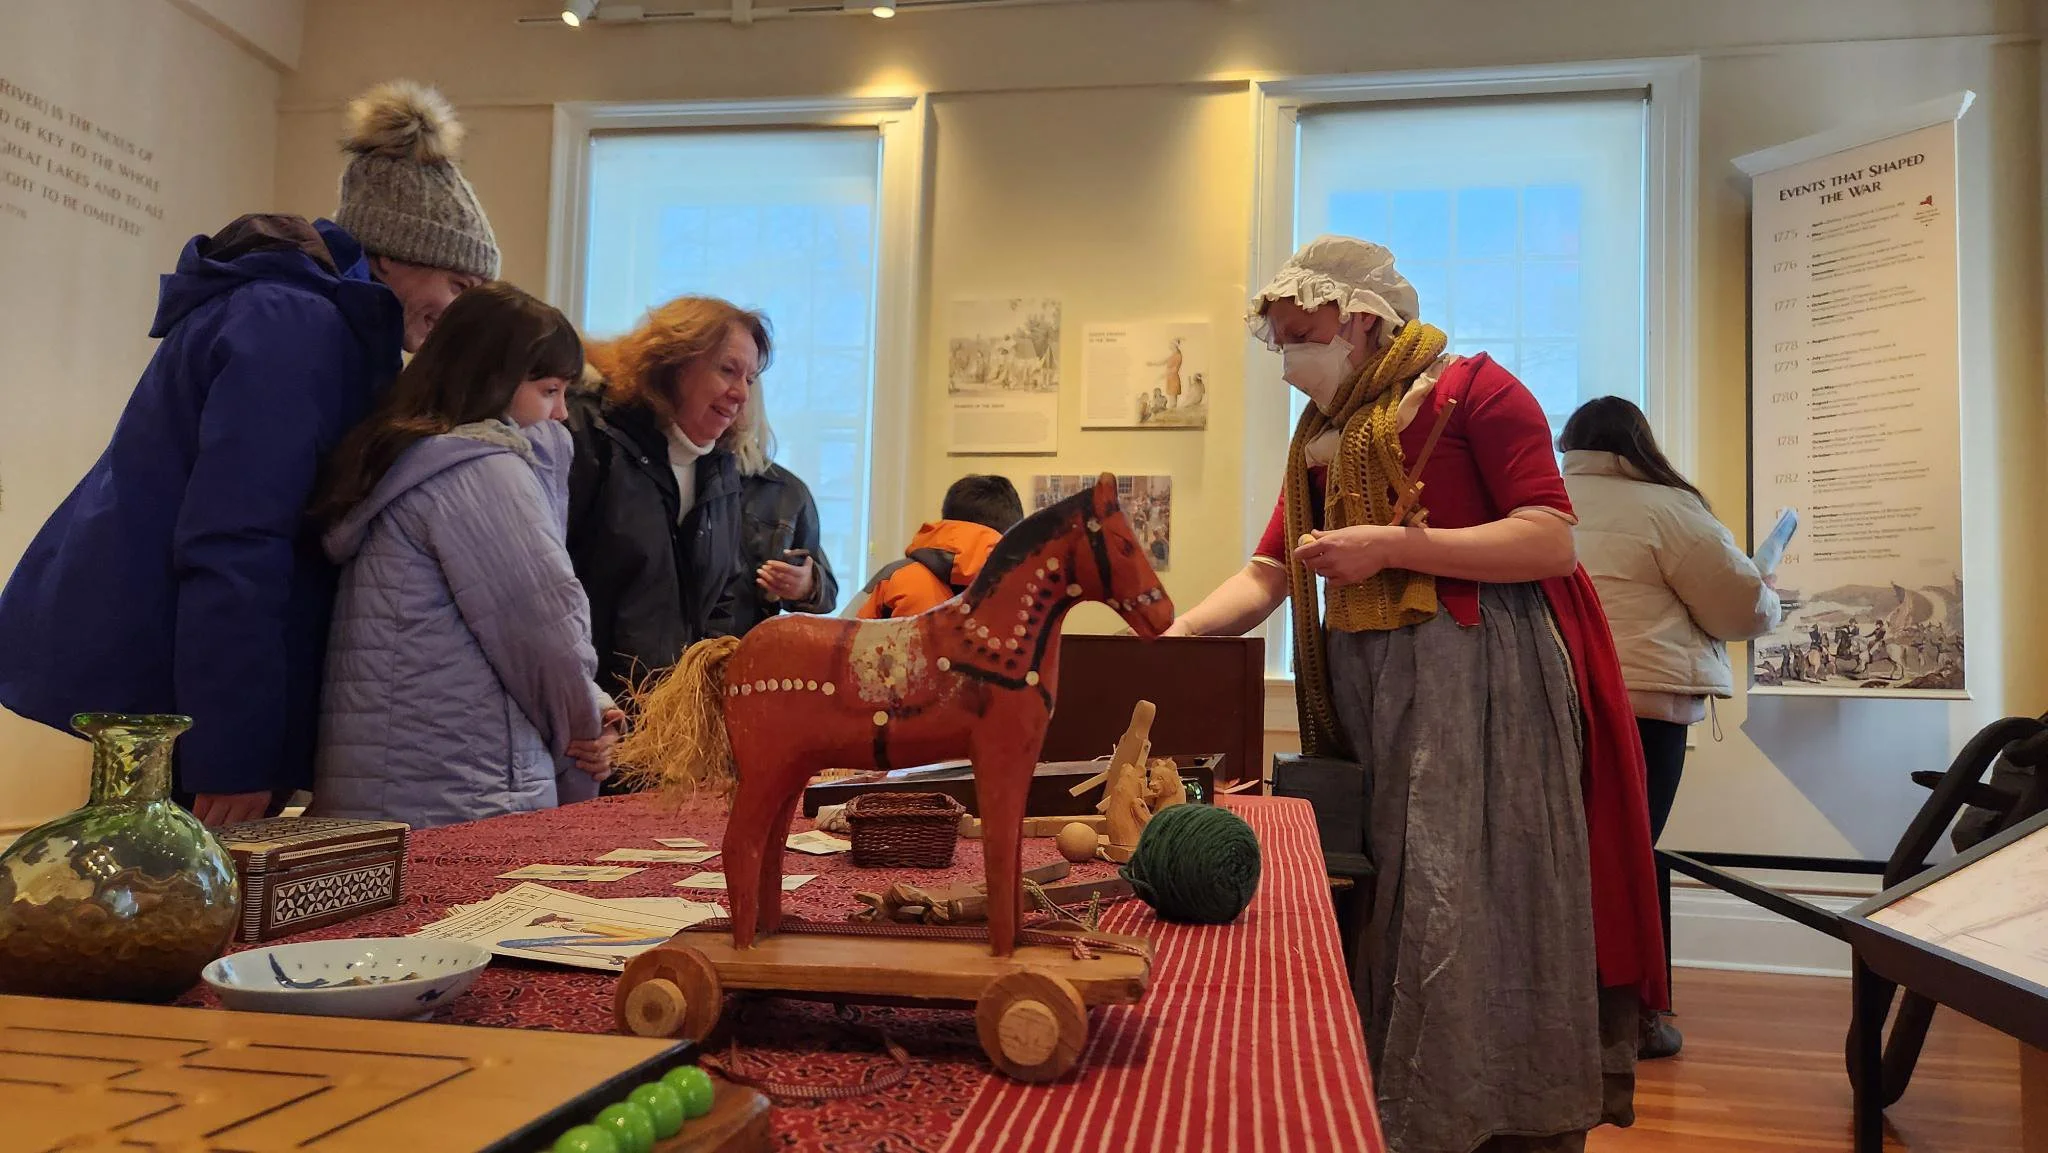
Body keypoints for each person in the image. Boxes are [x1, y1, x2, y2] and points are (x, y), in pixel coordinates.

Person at [1165, 236, 1664, 1153]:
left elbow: (1550, 539)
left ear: (1360, 319)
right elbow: (1268, 572)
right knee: (1394, 876)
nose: (1288, 357)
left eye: (1300, 334)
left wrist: (1391, 547)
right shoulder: (1321, 437)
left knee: (1471, 883)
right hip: (1372, 681)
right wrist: (1177, 641)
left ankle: (1494, 1106)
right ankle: (1393, 1097)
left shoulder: (1476, 390)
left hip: (1480, 674)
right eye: (1275, 341)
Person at [0, 81, 499, 828]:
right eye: (457, 283)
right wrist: (232, 752)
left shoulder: (310, 318)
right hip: (176, 694)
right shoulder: (292, 324)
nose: (461, 311)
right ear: (396, 255)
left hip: (175, 681)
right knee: (168, 918)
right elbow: (237, 543)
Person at [307, 283, 617, 829]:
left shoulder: (409, 456)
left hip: (401, 783)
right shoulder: (481, 471)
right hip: (470, 790)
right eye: (549, 390)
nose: (563, 413)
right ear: (494, 379)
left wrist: (592, 703)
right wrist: (585, 734)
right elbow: (545, 631)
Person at [1559, 395, 1782, 1060]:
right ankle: (1634, 1021)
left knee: (1565, 856)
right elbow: (1739, 611)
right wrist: (1765, 584)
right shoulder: (1669, 508)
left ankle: (1556, 1012)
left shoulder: (1540, 500)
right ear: (1640, 445)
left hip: (1548, 705)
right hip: (1644, 708)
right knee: (1631, 857)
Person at [566, 295, 838, 707]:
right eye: (728, 370)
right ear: (671, 363)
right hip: (588, 717)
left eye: (749, 379)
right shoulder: (590, 437)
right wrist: (585, 703)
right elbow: (550, 588)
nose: (742, 394)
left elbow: (719, 600)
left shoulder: (719, 468)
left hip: (667, 722)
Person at [851, 474, 1023, 619]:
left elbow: (835, 644)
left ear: (947, 519)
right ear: (1013, 530)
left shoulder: (892, 577)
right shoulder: (1028, 591)